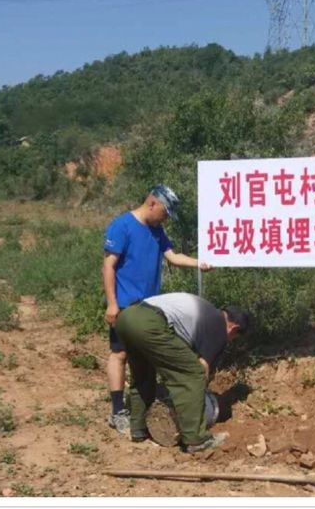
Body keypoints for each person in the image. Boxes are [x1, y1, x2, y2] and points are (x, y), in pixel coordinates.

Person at [102, 185, 210, 433]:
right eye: (165, 212)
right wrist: (112, 303)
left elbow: (172, 257)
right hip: (125, 305)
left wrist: (200, 263)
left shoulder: (156, 231)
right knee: (119, 355)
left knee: (145, 358)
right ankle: (118, 411)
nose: (166, 218)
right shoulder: (122, 226)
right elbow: (108, 267)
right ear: (152, 203)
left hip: (151, 309)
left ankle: (143, 410)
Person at [116, 293, 250, 452]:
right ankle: (196, 439)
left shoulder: (208, 313)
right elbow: (201, 367)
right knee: (194, 374)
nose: (230, 340)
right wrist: (199, 394)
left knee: (143, 374)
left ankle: (138, 429)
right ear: (233, 328)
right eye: (234, 337)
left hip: (127, 316)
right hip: (150, 323)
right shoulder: (219, 327)